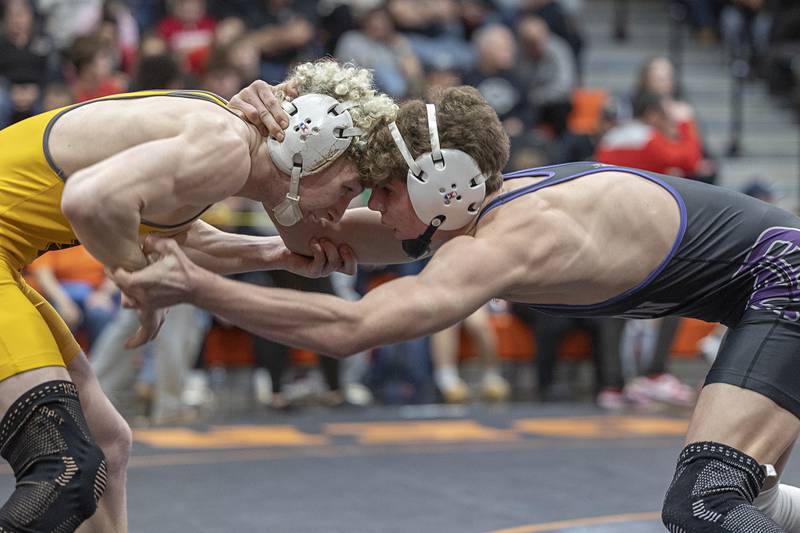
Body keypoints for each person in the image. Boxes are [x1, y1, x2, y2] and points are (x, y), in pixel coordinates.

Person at [118, 81, 800, 532]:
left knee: (708, 503)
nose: (370, 206)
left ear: (440, 183)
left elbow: (353, 328)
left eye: (380, 191)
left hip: (785, 276)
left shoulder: (509, 237)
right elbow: (333, 235)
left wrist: (197, 285)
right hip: (761, 282)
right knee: (756, 499)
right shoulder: (466, 208)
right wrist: (240, 226)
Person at [0, 59, 396, 532]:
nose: (338, 211)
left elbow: (180, 238)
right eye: (348, 188)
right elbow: (91, 200)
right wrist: (140, 281)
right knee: (64, 470)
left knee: (107, 445)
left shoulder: (225, 143)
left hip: (8, 257)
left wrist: (272, 254)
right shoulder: (225, 146)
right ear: (311, 146)